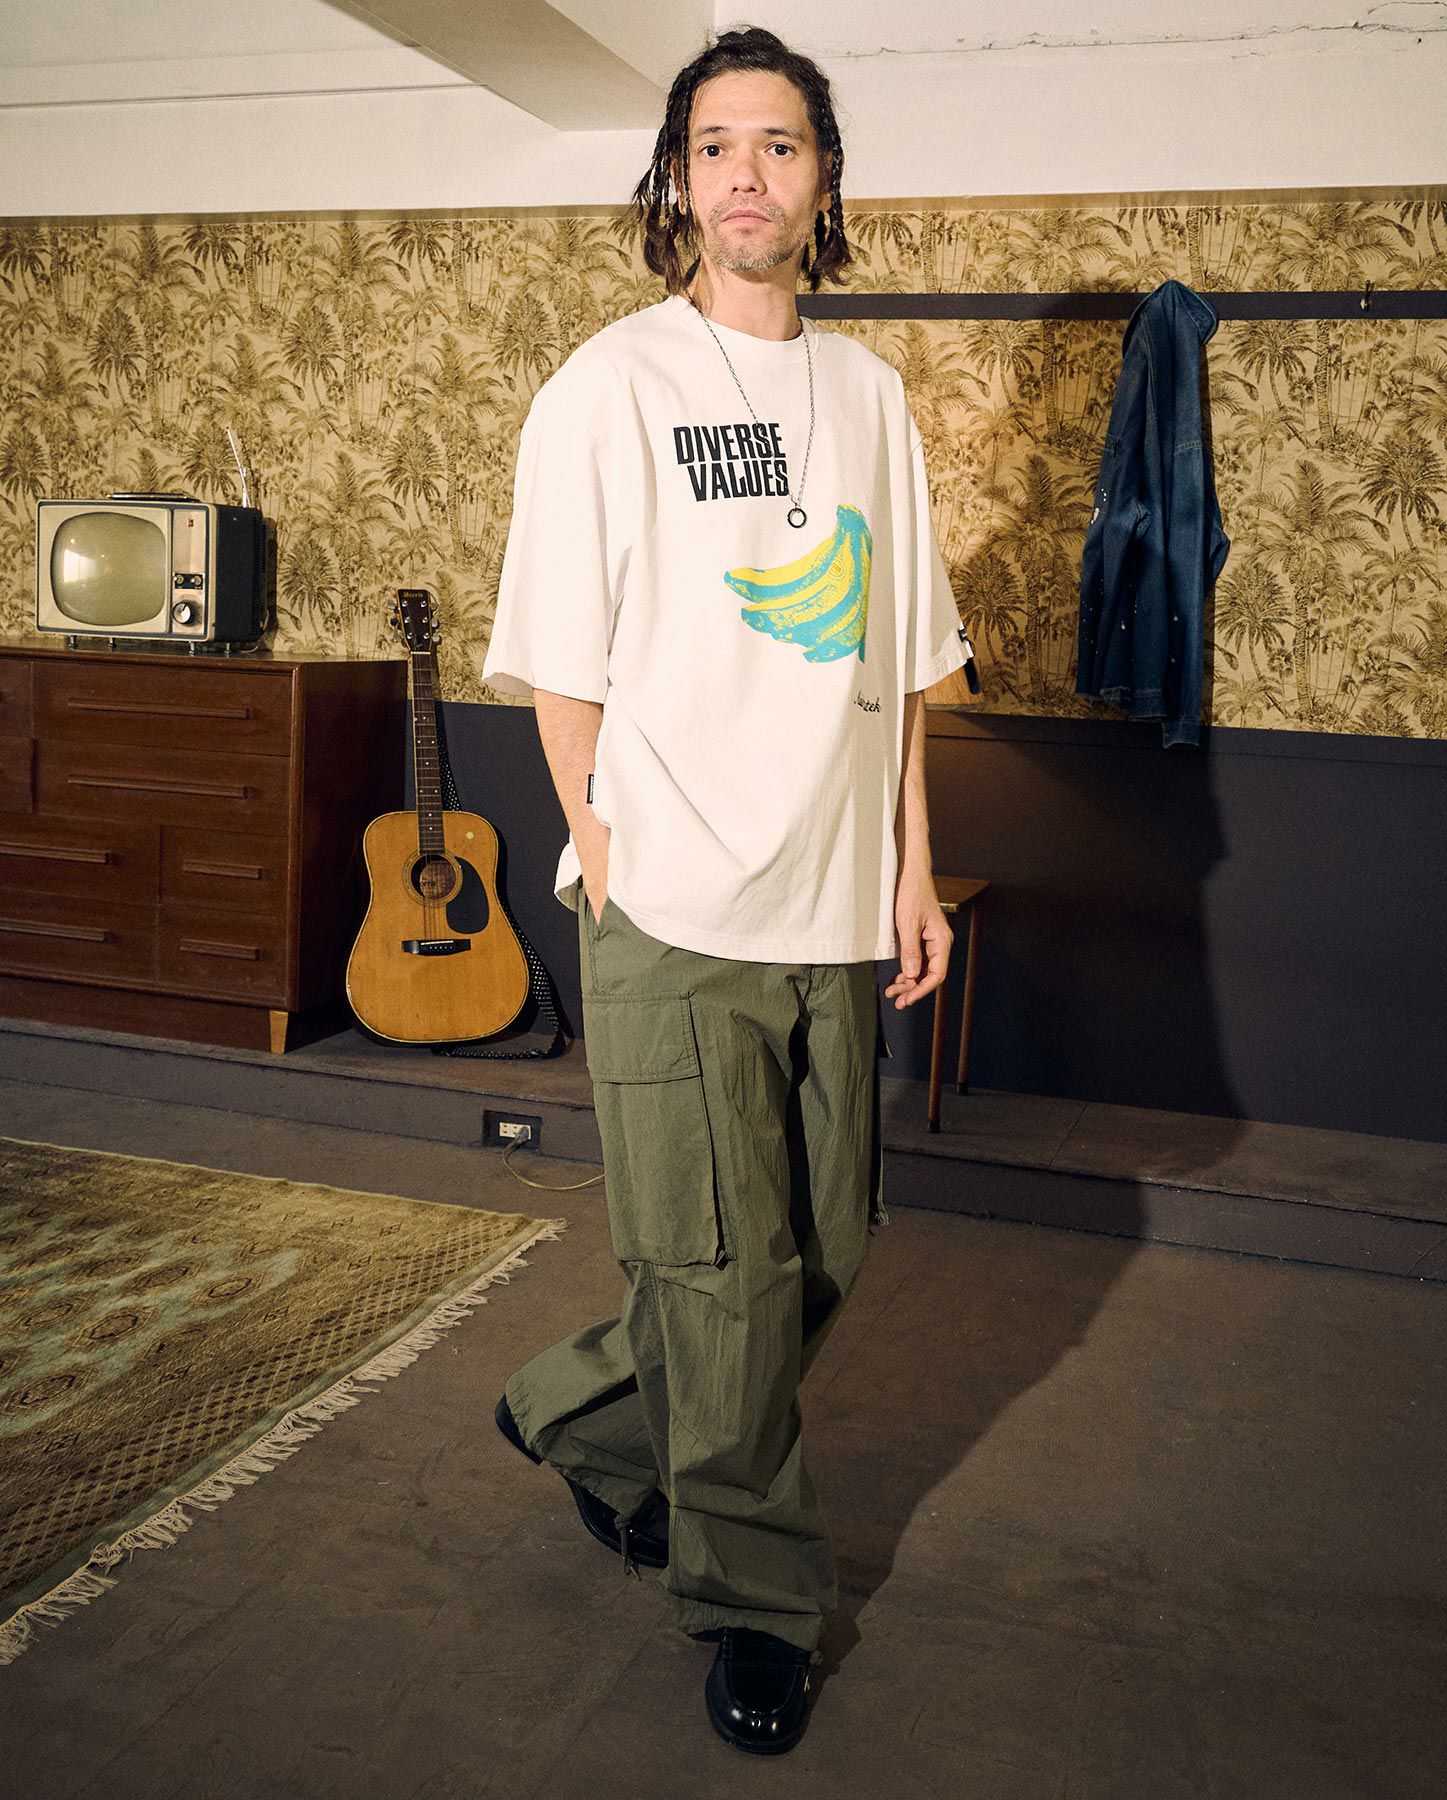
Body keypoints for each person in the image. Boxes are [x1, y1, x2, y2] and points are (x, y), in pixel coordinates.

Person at [479, 24, 975, 1756]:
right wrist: (601, 840)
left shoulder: (872, 400)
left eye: (779, 143)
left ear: (824, 181)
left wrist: (913, 869)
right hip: (676, 902)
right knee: (720, 1273)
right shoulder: (610, 386)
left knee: (820, 1249)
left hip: (835, 902)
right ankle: (755, 1605)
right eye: (713, 146)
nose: (745, 173)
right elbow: (557, 657)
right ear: (678, 183)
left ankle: (583, 1417)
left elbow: (901, 663)